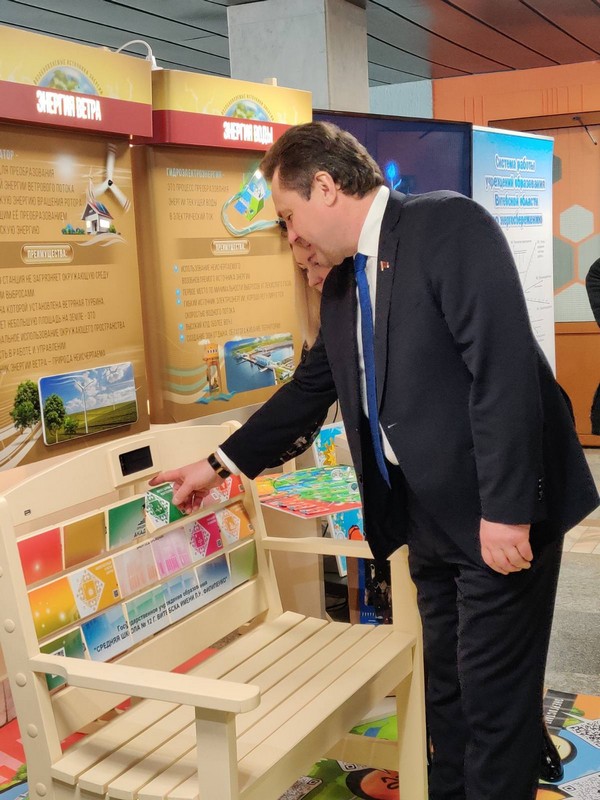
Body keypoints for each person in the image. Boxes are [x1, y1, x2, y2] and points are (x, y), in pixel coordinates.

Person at [150, 122, 599, 800]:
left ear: (325, 186)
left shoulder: (447, 226)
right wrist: (215, 465)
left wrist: (507, 512)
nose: (289, 236)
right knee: (447, 696)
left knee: (494, 705)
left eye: (289, 215)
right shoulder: (341, 288)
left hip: (496, 511)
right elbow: (308, 392)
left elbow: (502, 372)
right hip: (424, 515)